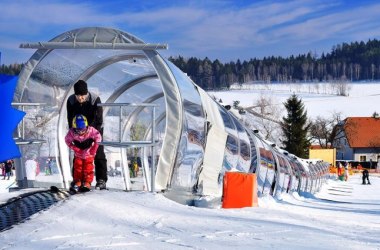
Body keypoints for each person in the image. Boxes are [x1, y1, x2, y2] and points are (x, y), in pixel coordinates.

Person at [67, 80, 108, 190]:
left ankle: (101, 179)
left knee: (98, 153)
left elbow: (99, 120)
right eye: (78, 96)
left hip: (95, 130)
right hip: (78, 130)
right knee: (78, 154)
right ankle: (77, 180)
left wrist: (92, 136)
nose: (80, 98)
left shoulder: (95, 100)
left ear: (87, 93)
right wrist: (74, 133)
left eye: (83, 95)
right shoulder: (71, 100)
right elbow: (70, 119)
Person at [65, 114, 101, 193]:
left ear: (86, 126)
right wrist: (76, 149)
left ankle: (87, 182)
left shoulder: (91, 131)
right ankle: (78, 181)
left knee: (88, 168)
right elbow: (67, 141)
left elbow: (98, 137)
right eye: (78, 130)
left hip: (89, 154)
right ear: (75, 129)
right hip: (79, 154)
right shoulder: (72, 133)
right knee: (78, 168)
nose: (81, 132)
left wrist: (94, 149)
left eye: (83, 129)